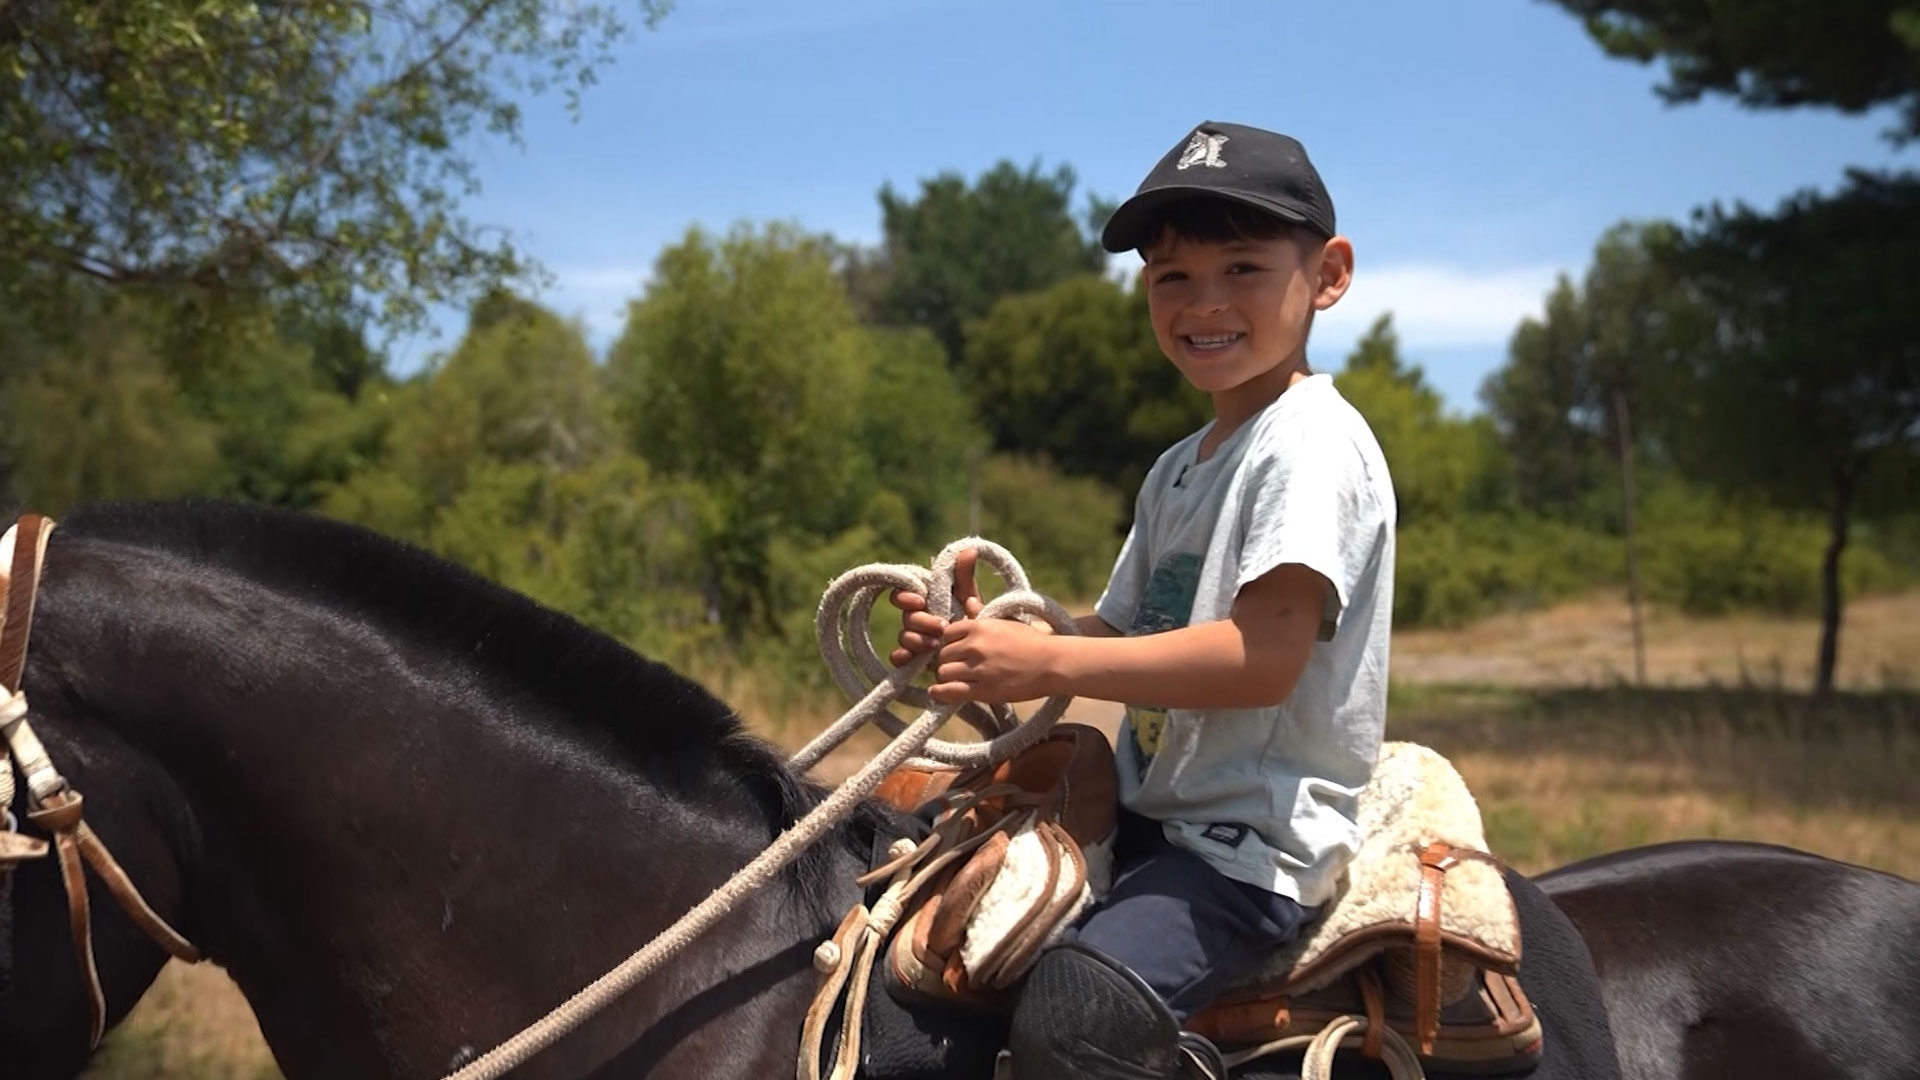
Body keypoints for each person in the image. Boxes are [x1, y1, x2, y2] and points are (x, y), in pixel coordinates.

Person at [889, 120, 1398, 1080]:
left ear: (1328, 275)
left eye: (1243, 269)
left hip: (1248, 851)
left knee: (1075, 1021)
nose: (1204, 303)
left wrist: (1053, 662)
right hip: (1154, 809)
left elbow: (1261, 662)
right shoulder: (1180, 468)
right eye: (1173, 279)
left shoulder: (1311, 446)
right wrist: (984, 640)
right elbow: (1120, 632)